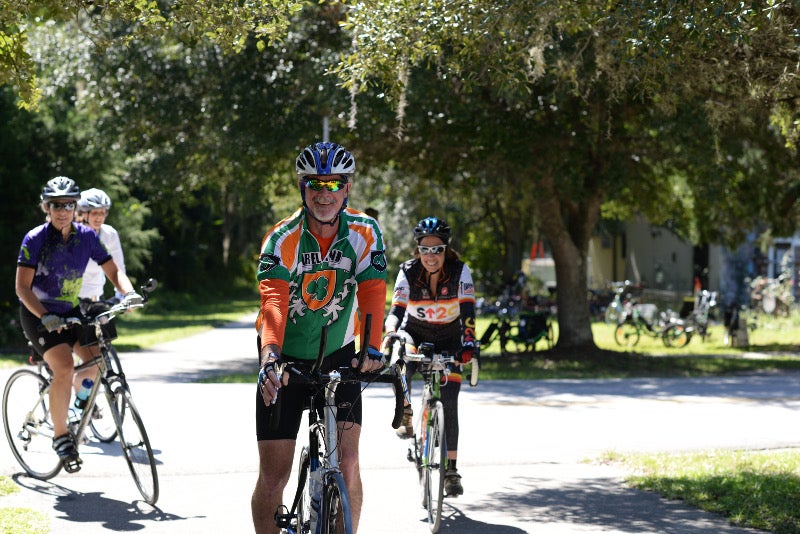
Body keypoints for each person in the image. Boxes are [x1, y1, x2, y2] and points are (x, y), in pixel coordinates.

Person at [251, 142, 388, 534]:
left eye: (334, 184)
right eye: (315, 184)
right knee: (273, 477)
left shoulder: (365, 231)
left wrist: (373, 348)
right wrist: (270, 357)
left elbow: (374, 291)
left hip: (340, 356)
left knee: (347, 464)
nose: (324, 194)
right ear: (302, 187)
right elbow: (274, 301)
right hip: (285, 357)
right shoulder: (282, 238)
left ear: (346, 189)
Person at [15, 176, 142, 473]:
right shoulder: (35, 239)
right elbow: (22, 288)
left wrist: (129, 292)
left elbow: (113, 270)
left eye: (68, 204)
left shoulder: (86, 236)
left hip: (71, 312)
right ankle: (61, 437)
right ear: (46, 207)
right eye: (56, 205)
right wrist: (45, 314)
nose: (62, 210)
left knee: (97, 362)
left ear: (76, 207)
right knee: (64, 367)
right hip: (38, 315)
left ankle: (75, 410)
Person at [383, 216, 477, 497]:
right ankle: (407, 414)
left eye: (437, 249)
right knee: (401, 359)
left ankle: (451, 471)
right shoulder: (408, 271)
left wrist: (469, 345)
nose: (431, 256)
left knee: (449, 400)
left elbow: (469, 314)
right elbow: (396, 311)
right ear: (418, 250)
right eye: (425, 249)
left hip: (450, 338)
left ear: (446, 249)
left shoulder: (460, 271)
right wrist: (389, 332)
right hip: (416, 333)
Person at [76, 188, 127, 301]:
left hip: (96, 300)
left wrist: (123, 294)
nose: (99, 217)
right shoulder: (72, 234)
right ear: (83, 213)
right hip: (70, 301)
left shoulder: (109, 234)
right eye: (95, 212)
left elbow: (118, 267)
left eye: (103, 212)